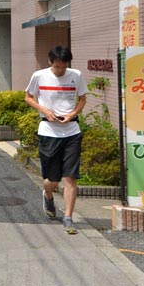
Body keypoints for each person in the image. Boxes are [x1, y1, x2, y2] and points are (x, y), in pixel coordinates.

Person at [25, 45, 87, 235]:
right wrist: (45, 110)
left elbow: (83, 99)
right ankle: (48, 194)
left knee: (71, 177)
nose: (61, 70)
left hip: (72, 132)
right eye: (58, 67)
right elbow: (28, 97)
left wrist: (72, 114)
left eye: (64, 67)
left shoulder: (76, 75)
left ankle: (68, 217)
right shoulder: (39, 76)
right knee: (52, 180)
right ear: (50, 62)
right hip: (48, 132)